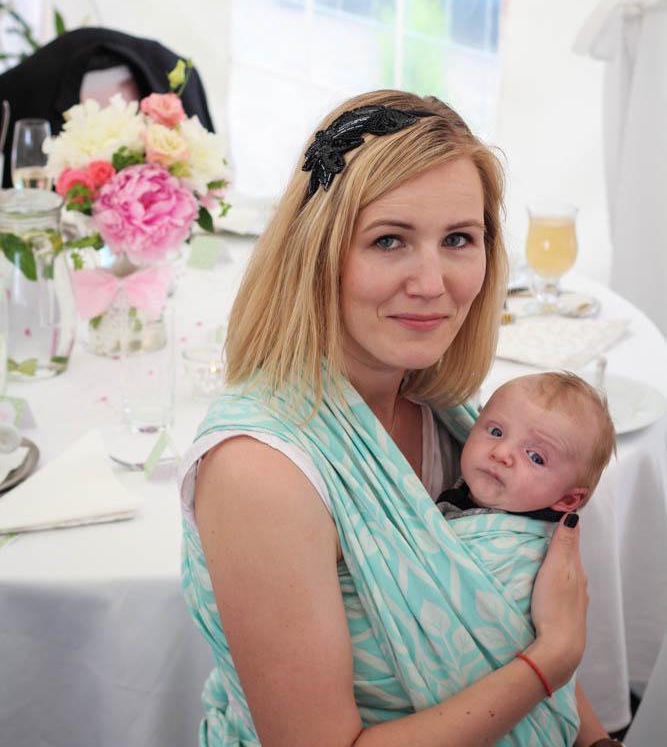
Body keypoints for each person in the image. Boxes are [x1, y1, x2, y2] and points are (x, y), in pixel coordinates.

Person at [179, 90, 623, 747]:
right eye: (389, 240)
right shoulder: (262, 473)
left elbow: (499, 624)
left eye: (458, 239)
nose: (432, 283)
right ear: (317, 252)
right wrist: (552, 660)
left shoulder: (446, 410)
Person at [436, 372, 616, 743]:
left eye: (535, 457)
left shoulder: (530, 554)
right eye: (495, 431)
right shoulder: (462, 491)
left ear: (568, 500)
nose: (501, 453)